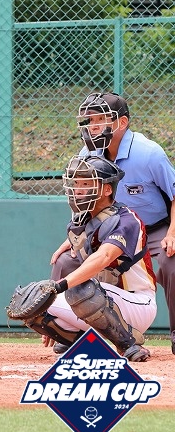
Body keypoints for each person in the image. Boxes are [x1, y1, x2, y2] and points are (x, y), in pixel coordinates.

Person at [51, 91, 175, 354]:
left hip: (156, 228)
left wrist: (172, 233)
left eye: (101, 119)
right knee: (65, 261)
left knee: (171, 264)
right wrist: (73, 238)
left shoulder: (149, 153)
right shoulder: (87, 154)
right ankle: (68, 329)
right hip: (106, 228)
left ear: (122, 122)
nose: (93, 126)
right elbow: (84, 198)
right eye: (90, 120)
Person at [32, 155, 157, 361]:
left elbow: (104, 256)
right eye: (76, 183)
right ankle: (77, 340)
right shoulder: (80, 223)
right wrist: (49, 309)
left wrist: (59, 287)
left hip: (137, 303)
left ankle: (128, 343)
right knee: (35, 305)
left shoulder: (126, 220)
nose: (78, 189)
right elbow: (67, 264)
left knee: (75, 290)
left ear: (107, 189)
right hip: (99, 301)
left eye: (86, 184)